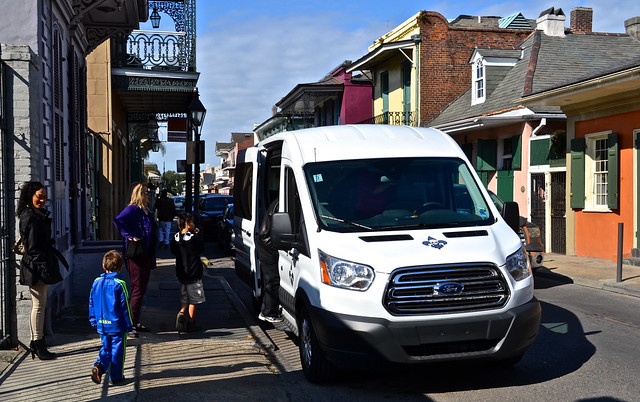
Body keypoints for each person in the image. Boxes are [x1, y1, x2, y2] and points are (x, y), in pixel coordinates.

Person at [17, 181, 64, 360]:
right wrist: (43, 264)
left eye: (44, 197)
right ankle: (37, 343)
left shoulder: (36, 214)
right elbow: (32, 246)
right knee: (38, 306)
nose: (42, 200)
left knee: (41, 305)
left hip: (40, 264)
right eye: (39, 197)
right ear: (30, 196)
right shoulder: (29, 216)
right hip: (36, 266)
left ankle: (37, 342)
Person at [113, 183, 157, 338]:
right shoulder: (133, 209)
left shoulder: (146, 211)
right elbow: (118, 220)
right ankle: (129, 324)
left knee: (142, 288)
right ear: (139, 194)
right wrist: (130, 235)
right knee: (137, 289)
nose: (148, 195)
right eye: (145, 193)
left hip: (146, 253)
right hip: (136, 254)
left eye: (148, 192)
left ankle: (135, 321)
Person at [88, 250, 133, 385]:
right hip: (117, 325)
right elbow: (125, 306)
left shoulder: (96, 281)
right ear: (120, 267)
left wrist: (93, 319)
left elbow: (91, 301)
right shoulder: (120, 284)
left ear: (103, 266)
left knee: (106, 348)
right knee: (118, 351)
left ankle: (99, 366)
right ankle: (117, 376)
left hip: (101, 323)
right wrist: (129, 324)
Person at [170, 213, 206, 333]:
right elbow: (200, 248)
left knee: (184, 296)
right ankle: (191, 322)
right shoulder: (193, 238)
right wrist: (197, 234)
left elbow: (173, 251)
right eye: (192, 221)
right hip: (194, 272)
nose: (194, 224)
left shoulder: (175, 238)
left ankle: (181, 313)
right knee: (194, 299)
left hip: (181, 273)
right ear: (187, 223)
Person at [255, 199, 283, 323]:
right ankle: (268, 312)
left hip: (266, 243)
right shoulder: (281, 203)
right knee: (273, 280)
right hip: (267, 245)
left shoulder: (279, 201)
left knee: (271, 280)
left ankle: (267, 311)